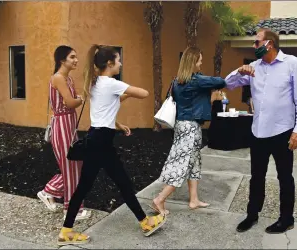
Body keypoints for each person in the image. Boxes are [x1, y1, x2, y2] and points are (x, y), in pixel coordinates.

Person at [58, 45, 166, 246]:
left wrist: (120, 113)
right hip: (101, 143)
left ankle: (66, 231)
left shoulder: (96, 82)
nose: (121, 63)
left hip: (96, 138)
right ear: (109, 64)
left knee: (88, 187)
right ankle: (145, 222)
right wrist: (128, 90)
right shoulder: (111, 83)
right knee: (122, 183)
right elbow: (144, 93)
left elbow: (106, 106)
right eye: (118, 60)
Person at [225, 28, 297, 234]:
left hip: (283, 132)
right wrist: (239, 71)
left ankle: (286, 219)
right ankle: (252, 215)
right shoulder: (254, 67)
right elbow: (228, 84)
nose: (253, 47)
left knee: (285, 177)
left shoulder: (292, 64)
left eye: (256, 43)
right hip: (258, 132)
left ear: (269, 44)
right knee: (256, 177)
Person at [150, 47, 226, 216]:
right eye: (199, 60)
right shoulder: (195, 80)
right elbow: (220, 82)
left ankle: (194, 200)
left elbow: (191, 101)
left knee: (194, 162)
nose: (200, 64)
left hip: (182, 125)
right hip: (190, 127)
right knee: (181, 165)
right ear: (192, 62)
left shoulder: (177, 81)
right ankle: (159, 200)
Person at [37, 45, 91, 220]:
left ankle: (49, 191)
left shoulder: (68, 79)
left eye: (76, 57)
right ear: (62, 60)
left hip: (68, 125)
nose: (76, 60)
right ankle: (71, 208)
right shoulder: (59, 78)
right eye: (72, 57)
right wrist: (81, 99)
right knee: (71, 167)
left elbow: (71, 101)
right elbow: (69, 103)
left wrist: (78, 99)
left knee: (76, 165)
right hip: (62, 126)